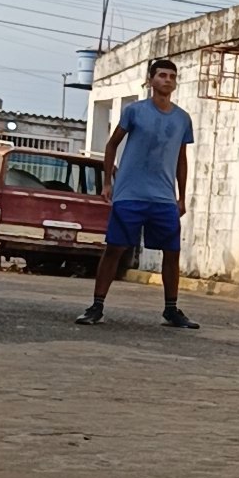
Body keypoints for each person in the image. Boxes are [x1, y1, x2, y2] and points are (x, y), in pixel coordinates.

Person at [76, 56, 199, 330]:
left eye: (172, 76)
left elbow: (181, 159)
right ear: (151, 80)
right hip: (130, 194)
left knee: (172, 252)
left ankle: (171, 310)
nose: (167, 80)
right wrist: (107, 183)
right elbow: (111, 145)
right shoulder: (134, 111)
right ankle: (96, 306)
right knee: (115, 249)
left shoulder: (182, 118)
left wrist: (182, 197)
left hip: (163, 198)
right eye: (162, 75)